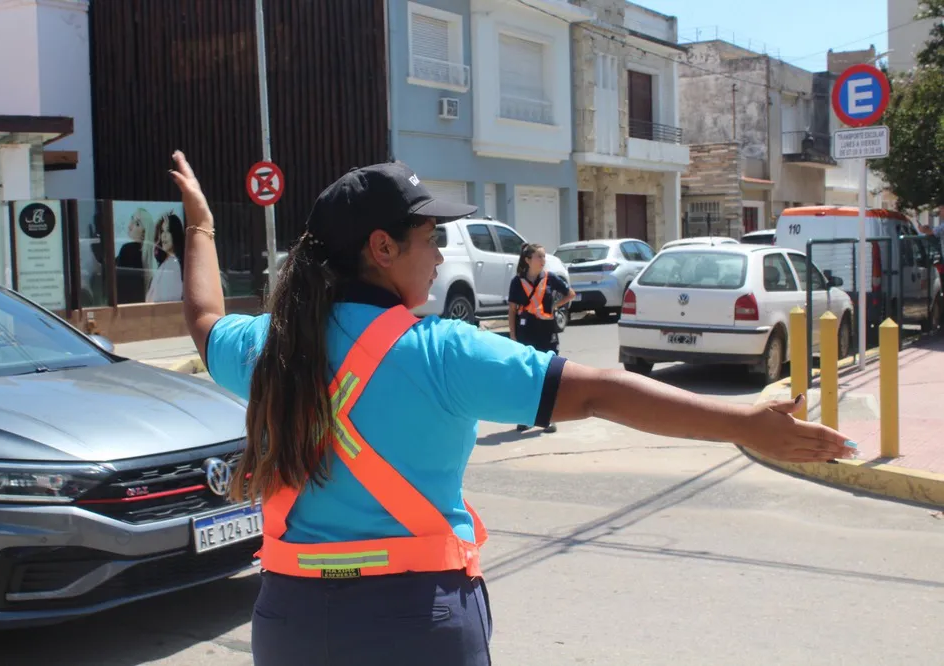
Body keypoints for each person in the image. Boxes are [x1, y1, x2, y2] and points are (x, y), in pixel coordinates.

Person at [168, 151, 856, 666]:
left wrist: (200, 226)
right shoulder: (444, 352)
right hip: (414, 624)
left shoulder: (269, 346)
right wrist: (741, 424)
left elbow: (202, 320)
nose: (439, 254)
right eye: (429, 238)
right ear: (381, 248)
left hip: (290, 623)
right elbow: (599, 391)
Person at [507, 242, 575, 433]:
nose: (543, 260)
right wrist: (512, 335)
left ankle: (549, 418)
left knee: (548, 376)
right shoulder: (517, 282)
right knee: (527, 376)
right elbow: (512, 310)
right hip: (526, 333)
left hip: (547, 333)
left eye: (544, 256)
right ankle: (526, 418)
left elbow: (570, 294)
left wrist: (554, 306)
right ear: (528, 260)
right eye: (539, 256)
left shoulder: (550, 278)